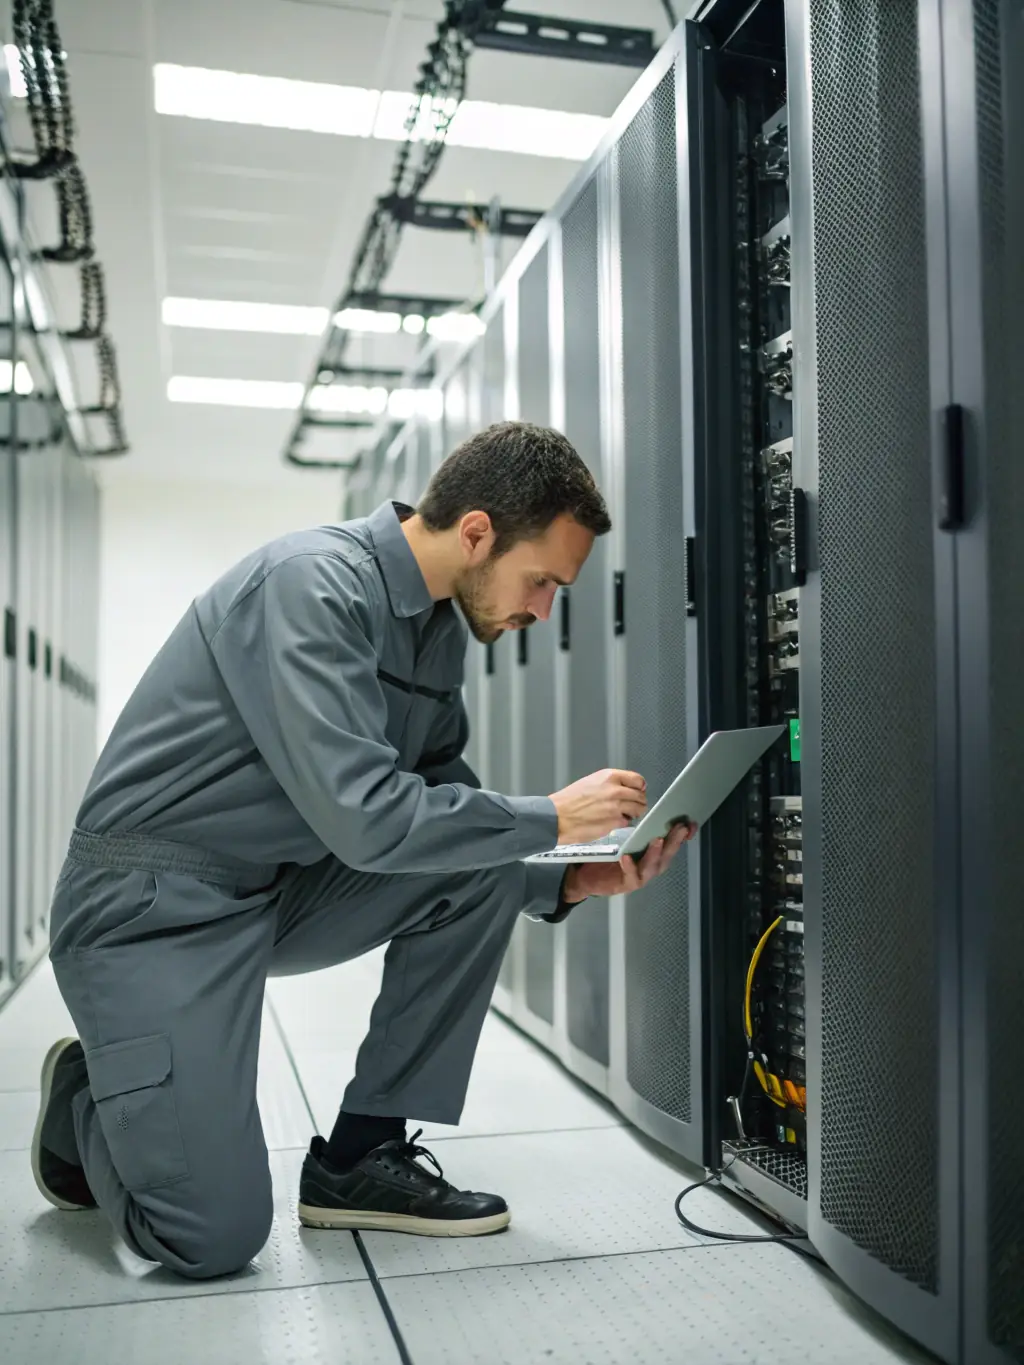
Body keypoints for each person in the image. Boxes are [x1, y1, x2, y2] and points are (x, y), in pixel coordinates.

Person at [31, 420, 695, 1281]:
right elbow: (367, 820)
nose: (542, 609)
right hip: (149, 909)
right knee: (212, 1237)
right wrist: (549, 817)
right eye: (542, 581)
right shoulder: (311, 585)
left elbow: (454, 814)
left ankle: (359, 1157)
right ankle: (89, 1091)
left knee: (487, 855)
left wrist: (570, 877)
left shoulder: (437, 629)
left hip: (267, 893)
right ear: (477, 532)